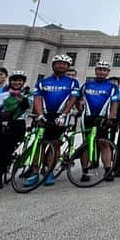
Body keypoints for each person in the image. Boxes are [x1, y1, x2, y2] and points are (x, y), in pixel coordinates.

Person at [32, 55, 80, 185]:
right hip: (45, 115)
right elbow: (37, 99)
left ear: (68, 67)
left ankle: (49, 171)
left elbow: (72, 99)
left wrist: (64, 114)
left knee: (55, 144)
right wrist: (40, 115)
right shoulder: (42, 82)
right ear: (53, 65)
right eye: (58, 63)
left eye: (64, 64)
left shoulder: (73, 82)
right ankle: (35, 172)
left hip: (60, 117)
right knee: (40, 144)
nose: (61, 66)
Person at [0, 70, 30, 188]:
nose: (16, 82)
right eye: (14, 80)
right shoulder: (4, 95)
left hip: (17, 125)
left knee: (6, 151)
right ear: (10, 81)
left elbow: (28, 108)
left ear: (23, 82)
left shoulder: (27, 95)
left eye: (20, 80)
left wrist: (22, 98)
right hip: (3, 124)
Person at [79, 61, 120, 182]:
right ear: (95, 71)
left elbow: (115, 103)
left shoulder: (113, 87)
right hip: (87, 118)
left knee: (105, 145)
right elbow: (77, 98)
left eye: (104, 70)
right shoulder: (86, 85)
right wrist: (79, 108)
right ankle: (84, 171)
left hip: (103, 119)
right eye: (99, 69)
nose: (102, 72)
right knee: (86, 144)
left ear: (108, 72)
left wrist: (112, 117)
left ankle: (108, 170)